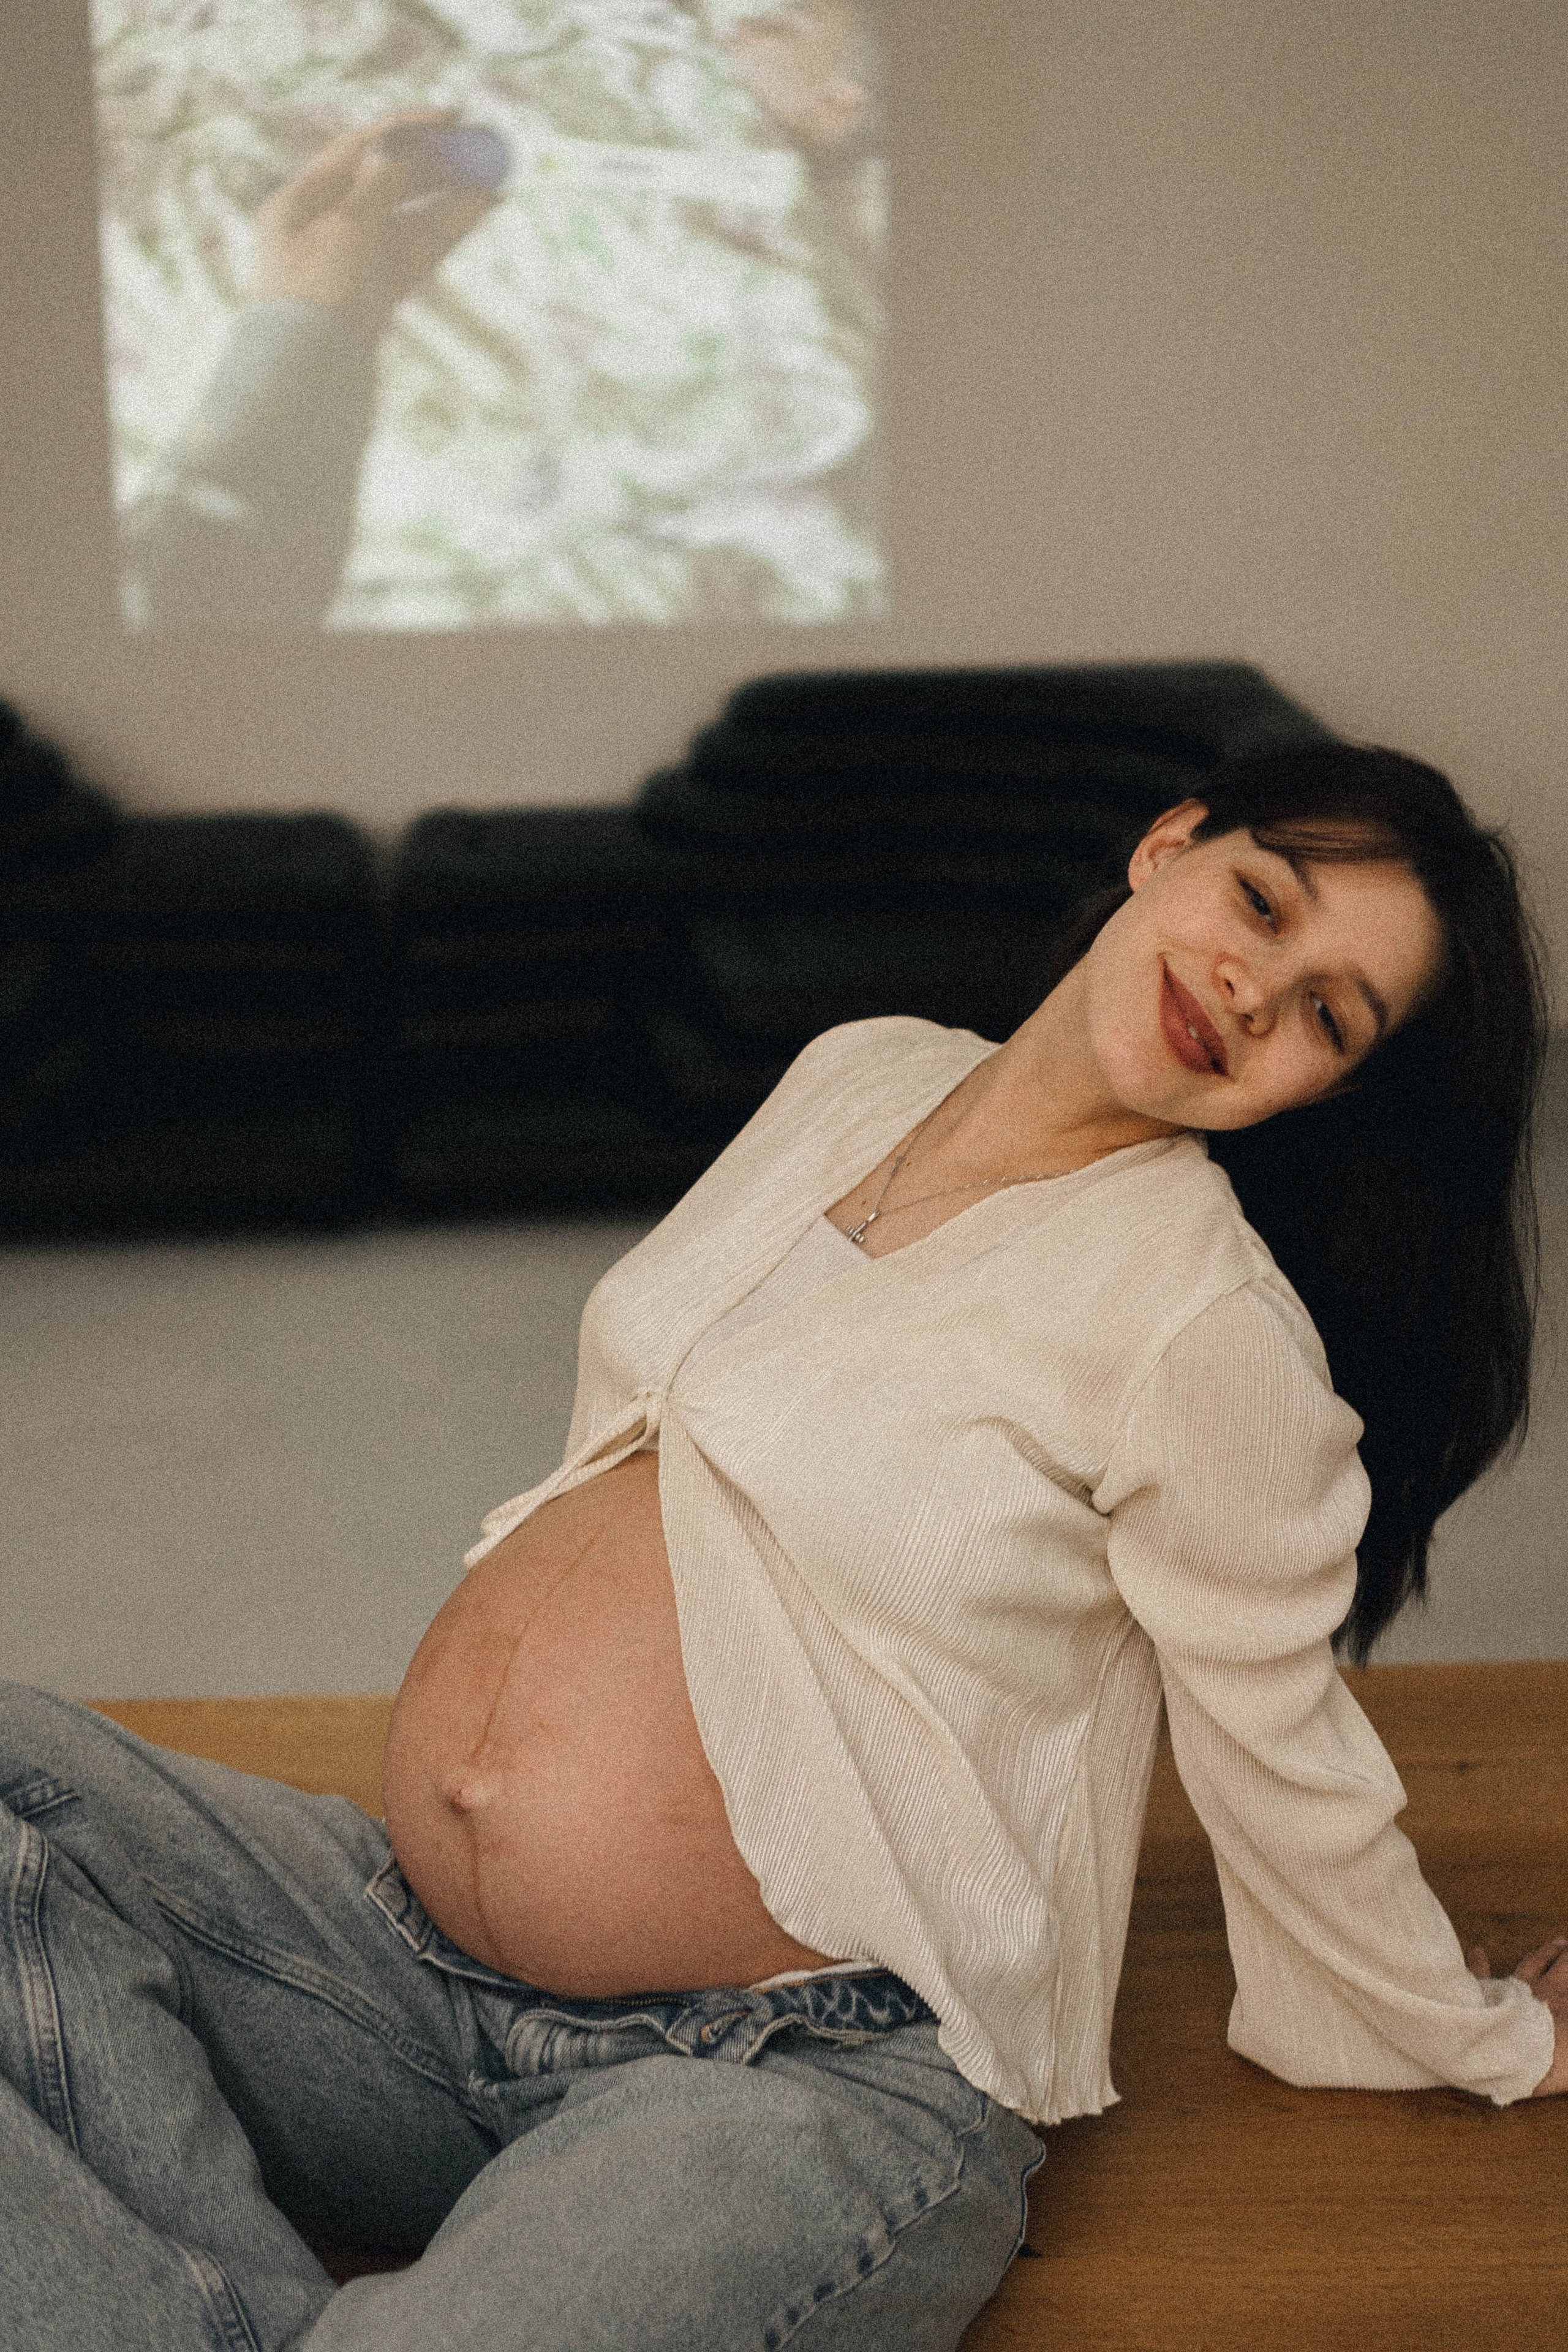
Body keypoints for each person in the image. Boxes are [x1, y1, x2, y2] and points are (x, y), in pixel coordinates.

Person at [1, 742, 1562, 2351]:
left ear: (1328, 1091)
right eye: (1262, 903)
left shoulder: (1204, 1321)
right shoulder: (865, 1071)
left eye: (1326, 1017)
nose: (1252, 989)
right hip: (412, 1976)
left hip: (799, 2079)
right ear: (1169, 845)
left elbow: (1279, 1739)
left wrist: (1485, 2031)